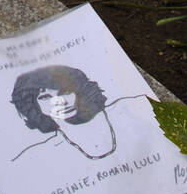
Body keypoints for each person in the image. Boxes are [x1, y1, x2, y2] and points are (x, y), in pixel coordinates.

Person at [10, 64, 142, 161]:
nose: (60, 102)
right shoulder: (36, 156)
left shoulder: (136, 107)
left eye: (64, 92)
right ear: (32, 105)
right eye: (45, 97)